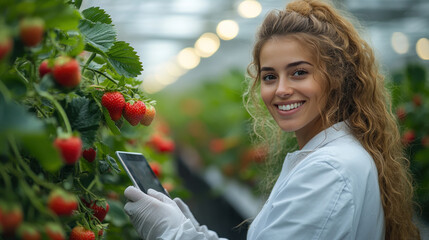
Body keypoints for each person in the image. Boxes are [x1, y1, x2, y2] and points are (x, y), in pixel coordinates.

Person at [123, 0, 421, 239]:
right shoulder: (333, 156)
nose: (281, 89)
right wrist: (190, 228)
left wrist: (172, 233)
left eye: (299, 72)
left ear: (336, 78)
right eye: (269, 76)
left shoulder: (328, 170)